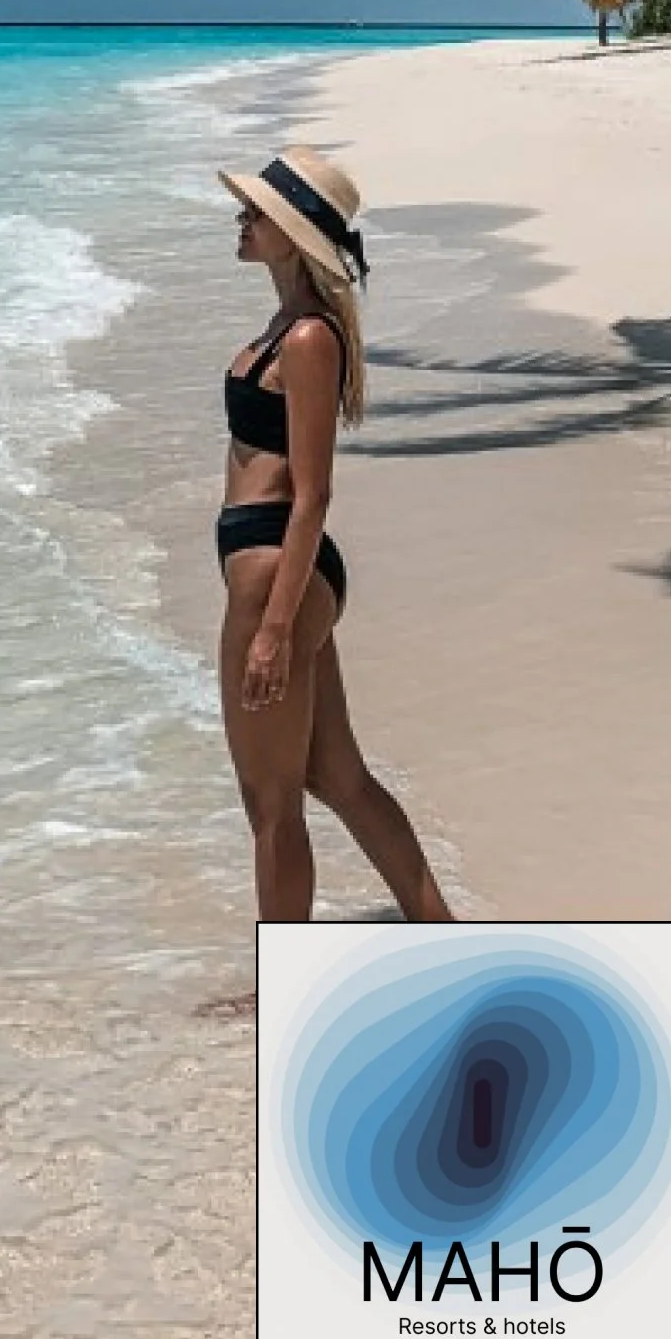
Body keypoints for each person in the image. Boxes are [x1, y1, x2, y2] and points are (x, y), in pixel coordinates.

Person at [214, 146, 455, 925]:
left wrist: (274, 630)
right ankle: (439, 931)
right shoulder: (284, 326)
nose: (242, 220)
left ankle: (284, 982)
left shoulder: (308, 339)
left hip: (275, 571)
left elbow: (313, 495)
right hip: (275, 568)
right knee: (336, 774)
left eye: (257, 213)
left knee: (271, 801)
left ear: (292, 232)